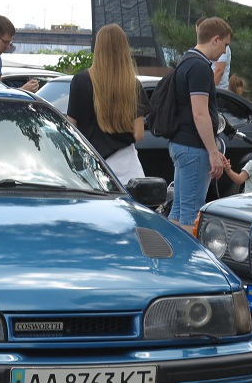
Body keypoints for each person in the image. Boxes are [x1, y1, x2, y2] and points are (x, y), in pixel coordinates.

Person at [168, 17, 234, 231]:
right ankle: (187, 254)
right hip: (194, 146)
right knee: (192, 213)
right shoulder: (200, 67)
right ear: (215, 39)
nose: (224, 51)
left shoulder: (186, 60)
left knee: (178, 208)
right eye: (225, 44)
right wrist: (213, 151)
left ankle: (172, 250)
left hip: (180, 142)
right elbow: (200, 114)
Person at [66, 24, 148, 184]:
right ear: (124, 49)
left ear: (98, 48)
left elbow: (71, 127)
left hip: (92, 165)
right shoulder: (132, 84)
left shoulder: (81, 80)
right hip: (127, 167)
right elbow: (139, 134)